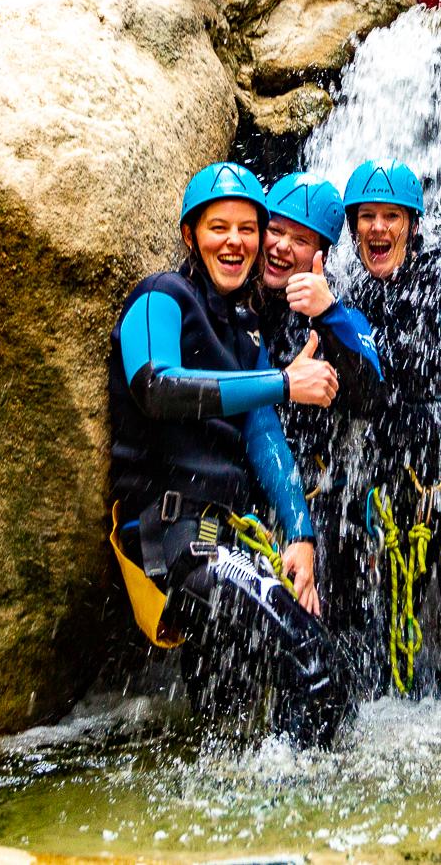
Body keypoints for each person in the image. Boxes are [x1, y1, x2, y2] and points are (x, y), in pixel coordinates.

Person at [105, 161, 351, 745]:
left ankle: (241, 797)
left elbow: (265, 437)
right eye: (219, 227)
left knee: (234, 719)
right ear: (190, 236)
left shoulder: (245, 332)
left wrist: (301, 534)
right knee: (313, 662)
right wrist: (283, 382)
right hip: (172, 536)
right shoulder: (159, 297)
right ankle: (309, 794)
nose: (235, 242)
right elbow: (156, 387)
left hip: (224, 540)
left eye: (247, 228)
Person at [338, 158, 441, 698]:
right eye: (367, 217)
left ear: (412, 225)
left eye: (391, 216)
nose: (378, 227)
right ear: (353, 228)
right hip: (391, 476)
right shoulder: (354, 294)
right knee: (396, 609)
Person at [257, 173, 385, 656]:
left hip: (321, 504)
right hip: (249, 501)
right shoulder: (233, 300)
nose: (281, 247)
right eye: (276, 231)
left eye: (300, 239)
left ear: (321, 256)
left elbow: (372, 395)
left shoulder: (339, 313)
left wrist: (327, 313)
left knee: (330, 645)